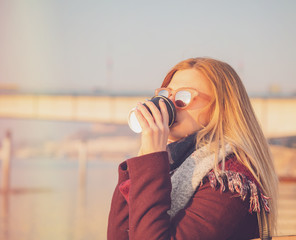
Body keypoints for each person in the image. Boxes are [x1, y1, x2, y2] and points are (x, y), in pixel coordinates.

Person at [107, 57, 278, 240]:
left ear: (220, 109)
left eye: (183, 97)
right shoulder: (172, 169)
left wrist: (151, 161)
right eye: (165, 95)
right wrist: (143, 160)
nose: (169, 104)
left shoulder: (228, 181)